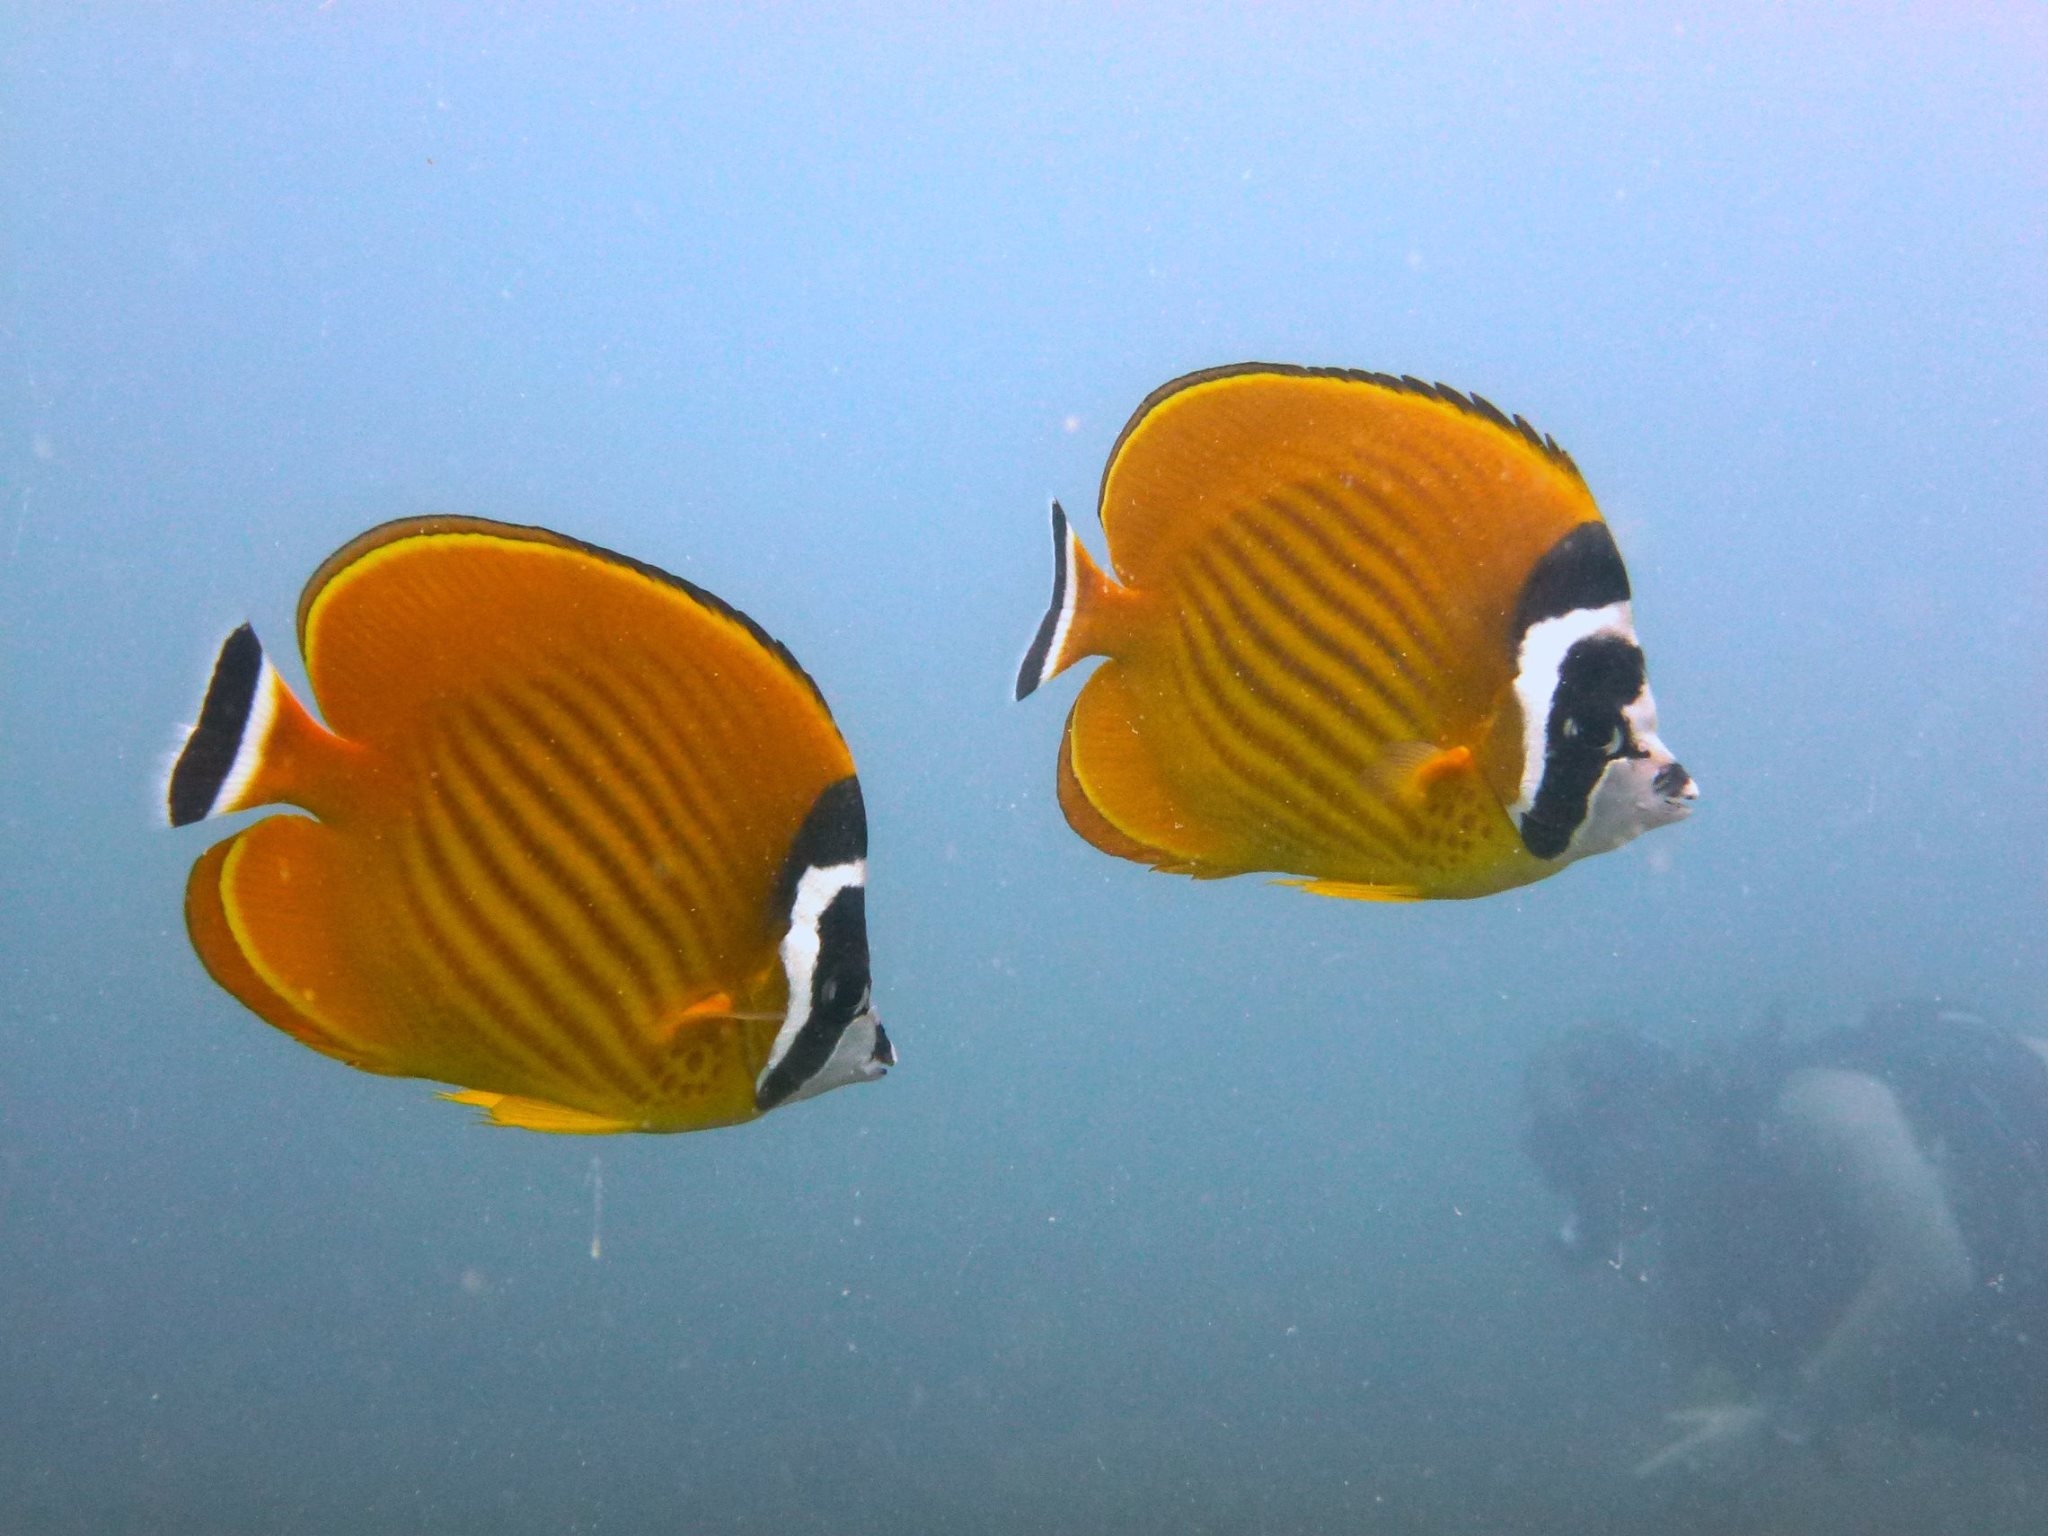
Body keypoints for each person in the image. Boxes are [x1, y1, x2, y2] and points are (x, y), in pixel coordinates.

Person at [1523, 1001, 2048, 1477]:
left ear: (1637, 1118)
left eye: (1581, 1154)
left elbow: (1930, 1266)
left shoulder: (1810, 1101)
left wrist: (1784, 1415)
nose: (1592, 1187)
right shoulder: (1715, 1214)